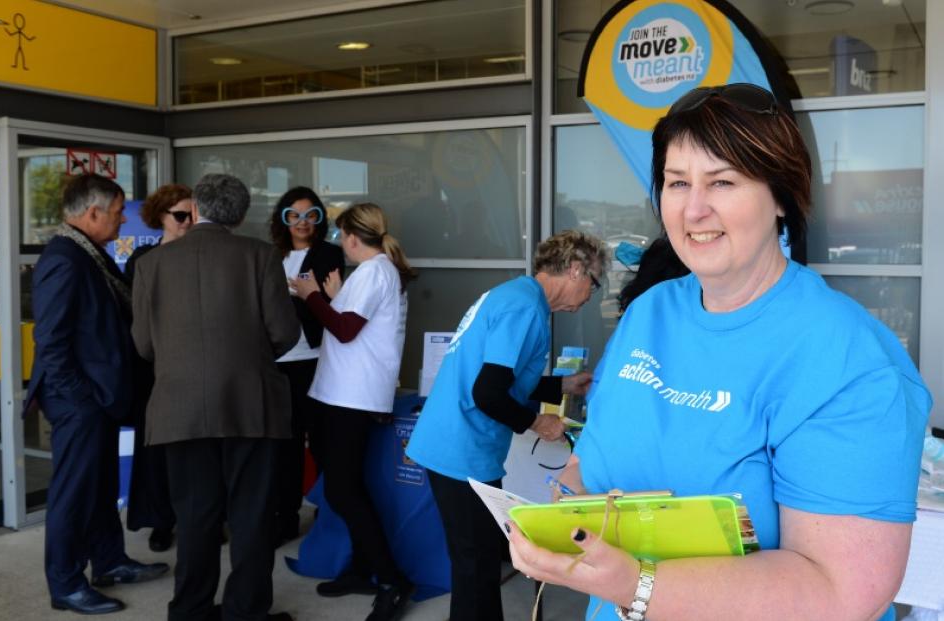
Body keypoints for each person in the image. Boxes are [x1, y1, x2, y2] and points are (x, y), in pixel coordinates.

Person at [507, 84, 932, 621]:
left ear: (781, 197)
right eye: (677, 182)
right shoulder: (649, 315)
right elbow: (589, 460)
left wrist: (639, 585)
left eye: (723, 181)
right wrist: (558, 514)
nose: (694, 208)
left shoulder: (846, 359)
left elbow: (840, 592)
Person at [405, 229, 606, 621]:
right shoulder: (524, 310)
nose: (590, 296)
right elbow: (488, 393)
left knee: (476, 562)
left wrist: (562, 384)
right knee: (476, 568)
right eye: (595, 285)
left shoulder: (514, 295)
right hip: (461, 450)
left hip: (452, 443)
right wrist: (537, 423)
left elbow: (503, 379)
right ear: (577, 270)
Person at [131, 173, 300, 621]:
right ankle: (245, 612)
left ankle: (189, 610)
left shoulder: (152, 264)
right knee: (251, 516)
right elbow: (284, 333)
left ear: (197, 209)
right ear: (241, 214)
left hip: (179, 407)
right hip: (251, 404)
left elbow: (144, 346)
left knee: (194, 517)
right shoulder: (261, 256)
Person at [27, 173, 168, 615]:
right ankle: (66, 583)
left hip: (97, 398)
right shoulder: (65, 259)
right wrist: (81, 396)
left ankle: (108, 561)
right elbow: (50, 341)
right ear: (92, 213)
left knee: (102, 485)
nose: (123, 221)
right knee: (73, 494)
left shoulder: (90, 253)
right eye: (117, 212)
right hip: (80, 402)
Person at [290, 202, 417, 621]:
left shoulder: (374, 271)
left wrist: (311, 297)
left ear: (349, 237)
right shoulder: (375, 273)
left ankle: (392, 580)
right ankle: (365, 568)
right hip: (339, 393)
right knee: (343, 486)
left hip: (352, 396)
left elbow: (345, 329)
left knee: (344, 491)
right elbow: (349, 318)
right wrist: (329, 297)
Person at [269, 186, 344, 547]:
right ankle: (285, 516)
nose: (302, 222)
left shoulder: (329, 253)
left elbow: (332, 303)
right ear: (282, 218)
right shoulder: (269, 254)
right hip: (274, 360)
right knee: (284, 443)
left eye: (310, 214)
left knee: (320, 438)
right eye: (293, 215)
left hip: (313, 358)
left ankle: (327, 508)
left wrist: (301, 294)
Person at [124, 183, 193, 553]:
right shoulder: (142, 260)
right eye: (180, 215)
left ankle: (201, 518)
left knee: (198, 447)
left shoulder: (205, 254)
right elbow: (138, 318)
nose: (187, 222)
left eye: (192, 215)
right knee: (156, 449)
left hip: (196, 364)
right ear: (160, 217)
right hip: (154, 365)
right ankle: (161, 520)